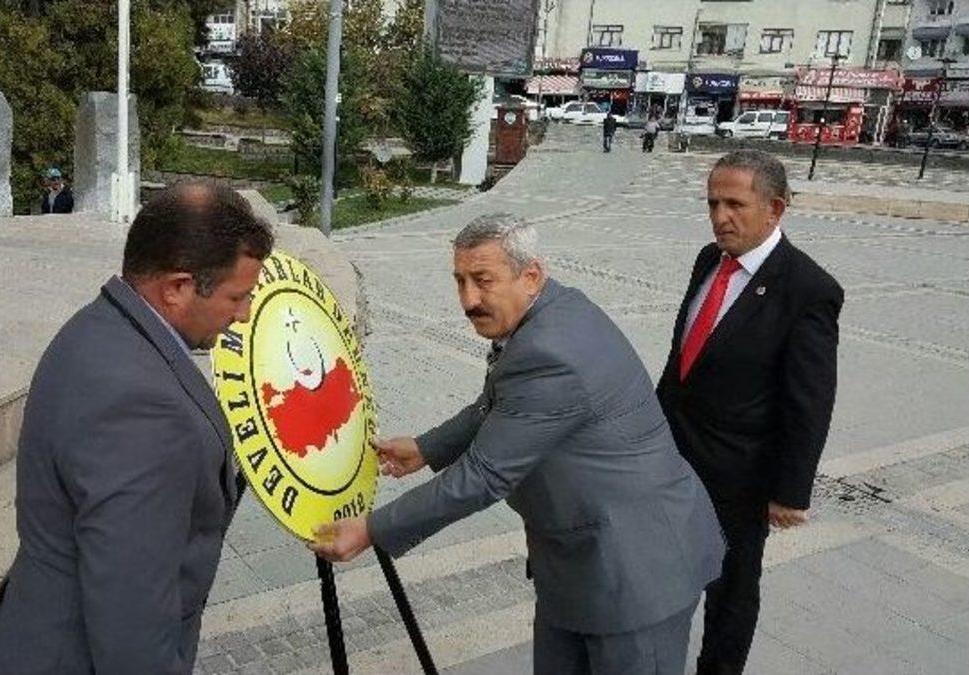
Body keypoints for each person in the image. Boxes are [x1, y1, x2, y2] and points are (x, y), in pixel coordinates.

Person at [311, 214, 725, 674]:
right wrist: (428, 448)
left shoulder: (551, 352)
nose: (468, 300)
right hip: (579, 564)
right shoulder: (549, 311)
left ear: (531, 276)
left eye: (483, 281)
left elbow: (485, 475)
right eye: (460, 281)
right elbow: (498, 404)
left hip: (636, 576)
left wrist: (372, 529)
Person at [0, 184, 274, 674]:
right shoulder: (146, 411)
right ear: (177, 287)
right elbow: (132, 626)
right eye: (236, 297)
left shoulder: (100, 327)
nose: (244, 314)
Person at [656, 150, 843, 675]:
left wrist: (790, 491)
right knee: (661, 575)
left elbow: (809, 400)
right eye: (713, 203)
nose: (720, 217)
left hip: (739, 479)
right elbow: (682, 363)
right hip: (672, 460)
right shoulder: (707, 260)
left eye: (734, 204)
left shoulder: (808, 289)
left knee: (730, 595)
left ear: (775, 208)